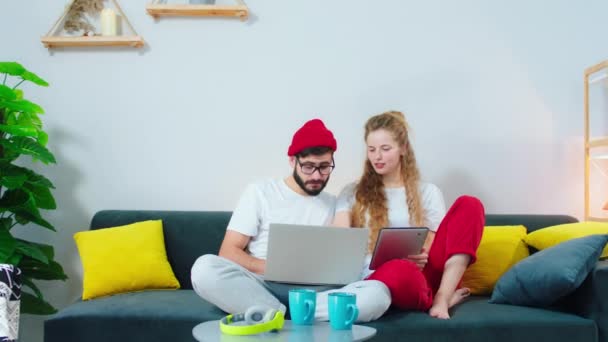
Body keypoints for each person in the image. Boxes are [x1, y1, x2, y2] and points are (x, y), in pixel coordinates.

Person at [191, 118, 391, 322]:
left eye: (324, 167)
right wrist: (273, 268)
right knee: (204, 269)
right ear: (292, 161)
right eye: (308, 167)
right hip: (263, 287)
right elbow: (228, 251)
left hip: (317, 293)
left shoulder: (335, 203)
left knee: (378, 293)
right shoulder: (260, 192)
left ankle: (278, 315)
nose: (316, 175)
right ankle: (283, 312)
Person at [333, 111, 485, 319]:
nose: (377, 156)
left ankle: (442, 298)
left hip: (426, 274)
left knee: (470, 204)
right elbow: (338, 240)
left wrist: (420, 256)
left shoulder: (428, 192)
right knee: (398, 269)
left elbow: (436, 243)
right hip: (383, 278)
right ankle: (431, 300)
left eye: (385, 149)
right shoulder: (351, 192)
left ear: (403, 148)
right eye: (371, 150)